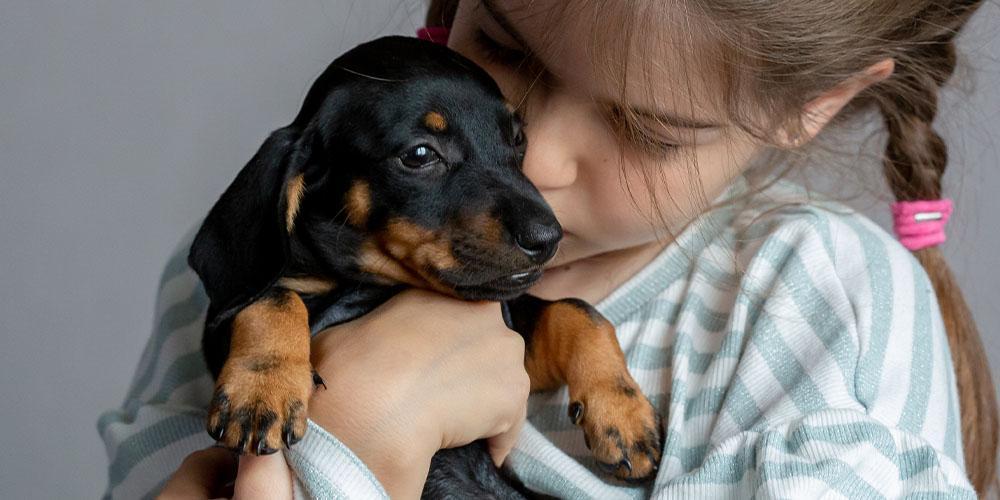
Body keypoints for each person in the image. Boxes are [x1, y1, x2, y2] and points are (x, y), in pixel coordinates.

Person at [98, 0, 998, 498]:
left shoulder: (817, 299)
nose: (540, 164)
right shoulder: (251, 271)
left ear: (814, 104)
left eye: (648, 127)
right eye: (502, 44)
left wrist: (355, 444)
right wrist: (358, 427)